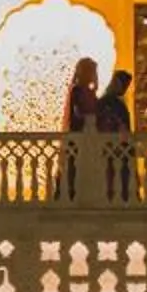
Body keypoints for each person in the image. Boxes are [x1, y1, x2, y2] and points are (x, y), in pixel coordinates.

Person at [92, 67, 135, 200]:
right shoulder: (107, 102)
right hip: (111, 149)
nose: (125, 89)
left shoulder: (113, 102)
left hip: (118, 149)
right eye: (124, 85)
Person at [60, 56, 100, 198]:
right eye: (92, 72)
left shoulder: (87, 90)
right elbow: (79, 112)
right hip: (79, 134)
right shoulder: (76, 90)